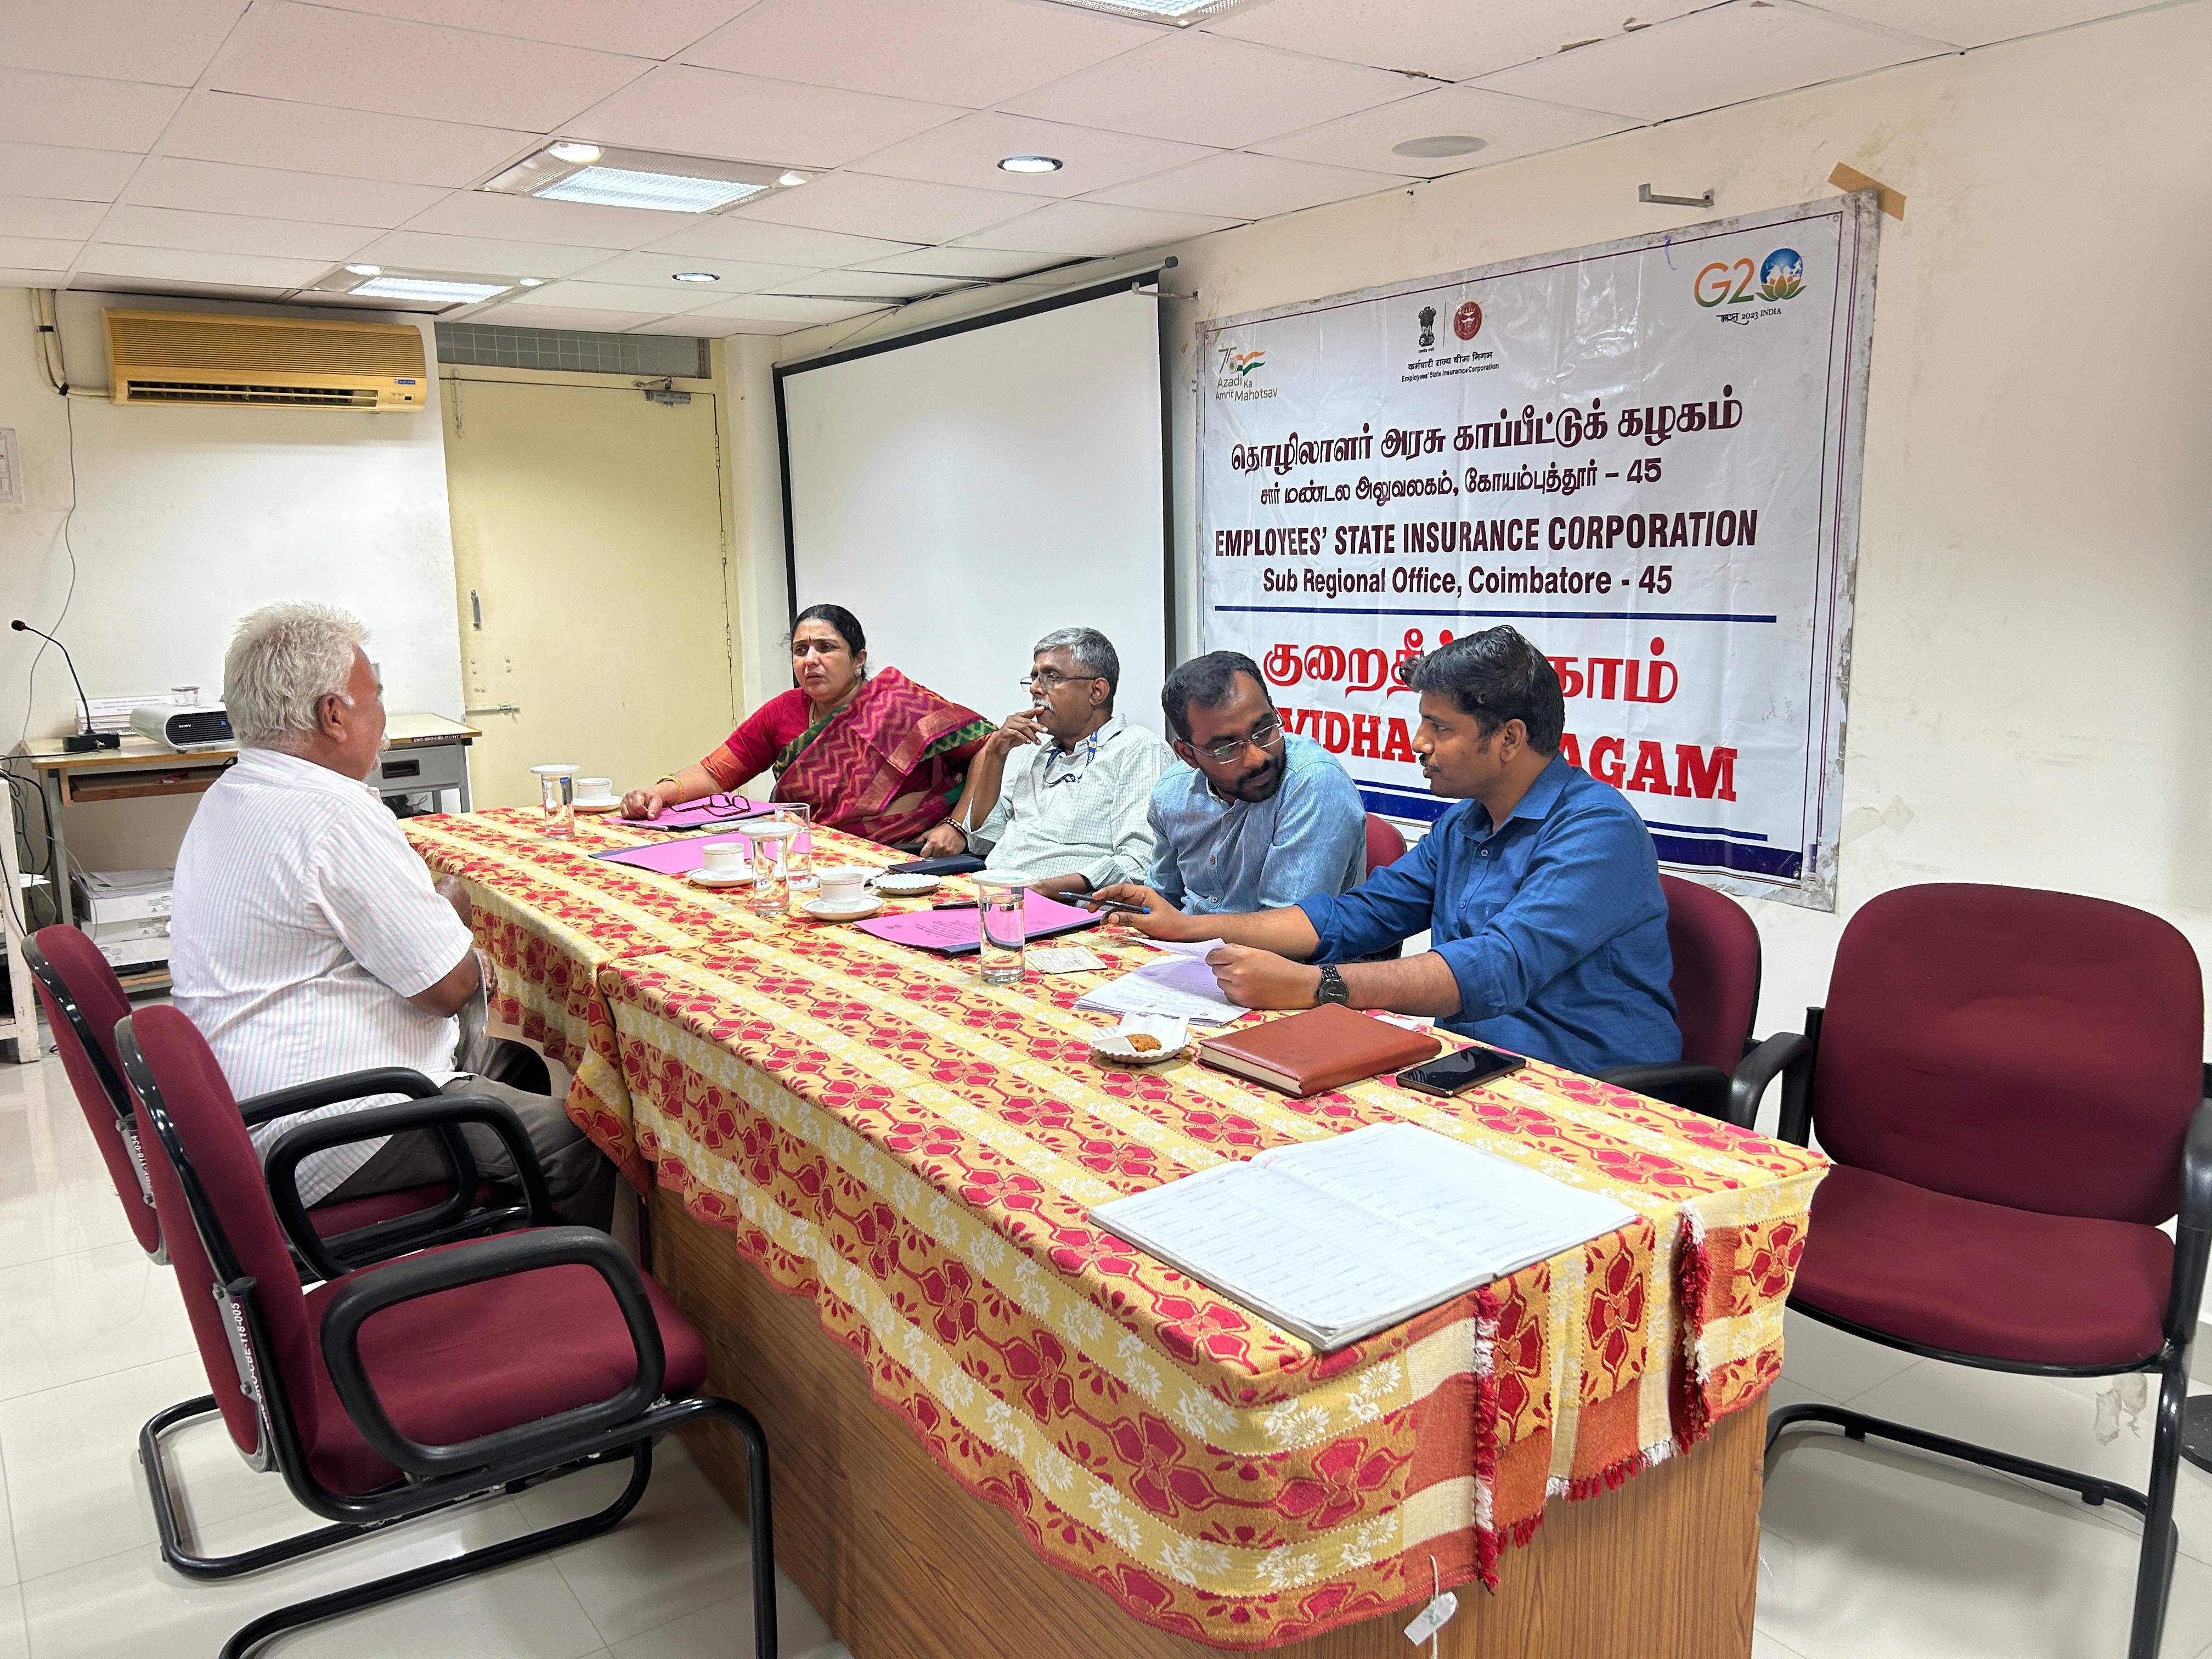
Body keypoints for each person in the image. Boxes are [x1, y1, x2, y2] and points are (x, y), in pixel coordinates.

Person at [170, 602, 616, 1228]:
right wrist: (450, 908)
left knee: (512, 1060)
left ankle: (496, 1247)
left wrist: (427, 911)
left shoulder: (237, 791)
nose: (382, 715)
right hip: (321, 1125)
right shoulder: (333, 812)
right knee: (575, 1140)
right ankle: (575, 1295)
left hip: (249, 1093)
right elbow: (449, 988)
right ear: (333, 715)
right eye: (373, 697)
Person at [1095, 625, 1678, 1075]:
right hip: (1472, 1066)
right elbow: (1357, 914)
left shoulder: (1596, 829)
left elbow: (1497, 966)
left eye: (1440, 728)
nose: (1419, 743)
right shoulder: (1465, 825)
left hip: (1590, 1086)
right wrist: (1191, 929)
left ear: (1509, 738)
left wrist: (1317, 987)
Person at [620, 604, 992, 850]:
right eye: (801, 651)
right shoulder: (784, 711)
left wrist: (957, 827)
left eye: (826, 648)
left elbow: (988, 746)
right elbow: (716, 772)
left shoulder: (899, 704)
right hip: (815, 854)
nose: (811, 660)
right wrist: (660, 792)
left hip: (903, 853)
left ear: (859, 659)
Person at [1105, 650, 1365, 917]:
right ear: (1188, 755)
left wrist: (1183, 929)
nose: (1256, 758)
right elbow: (1165, 899)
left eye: (1263, 731)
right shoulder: (1172, 793)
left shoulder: (1313, 782)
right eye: (1227, 749)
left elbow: (1289, 931)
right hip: (1188, 952)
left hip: (1283, 958)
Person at [940, 627, 1172, 900]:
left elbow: (1139, 863)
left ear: (1096, 691)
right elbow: (983, 839)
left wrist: (1043, 890)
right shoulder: (1041, 750)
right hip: (998, 896)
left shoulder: (1137, 748)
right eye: (1035, 677)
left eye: (1052, 677)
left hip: (1067, 910)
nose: (1037, 688)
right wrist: (995, 755)